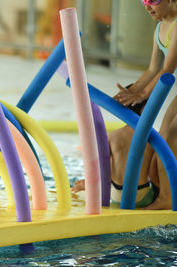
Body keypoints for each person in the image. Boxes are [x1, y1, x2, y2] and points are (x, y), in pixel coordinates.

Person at [72, 0, 177, 209]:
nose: (147, 6)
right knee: (163, 143)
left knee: (169, 137)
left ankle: (167, 199)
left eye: (153, 0)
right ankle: (164, 190)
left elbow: (167, 69)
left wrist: (142, 94)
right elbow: (151, 69)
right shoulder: (159, 28)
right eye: (143, 0)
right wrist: (132, 92)